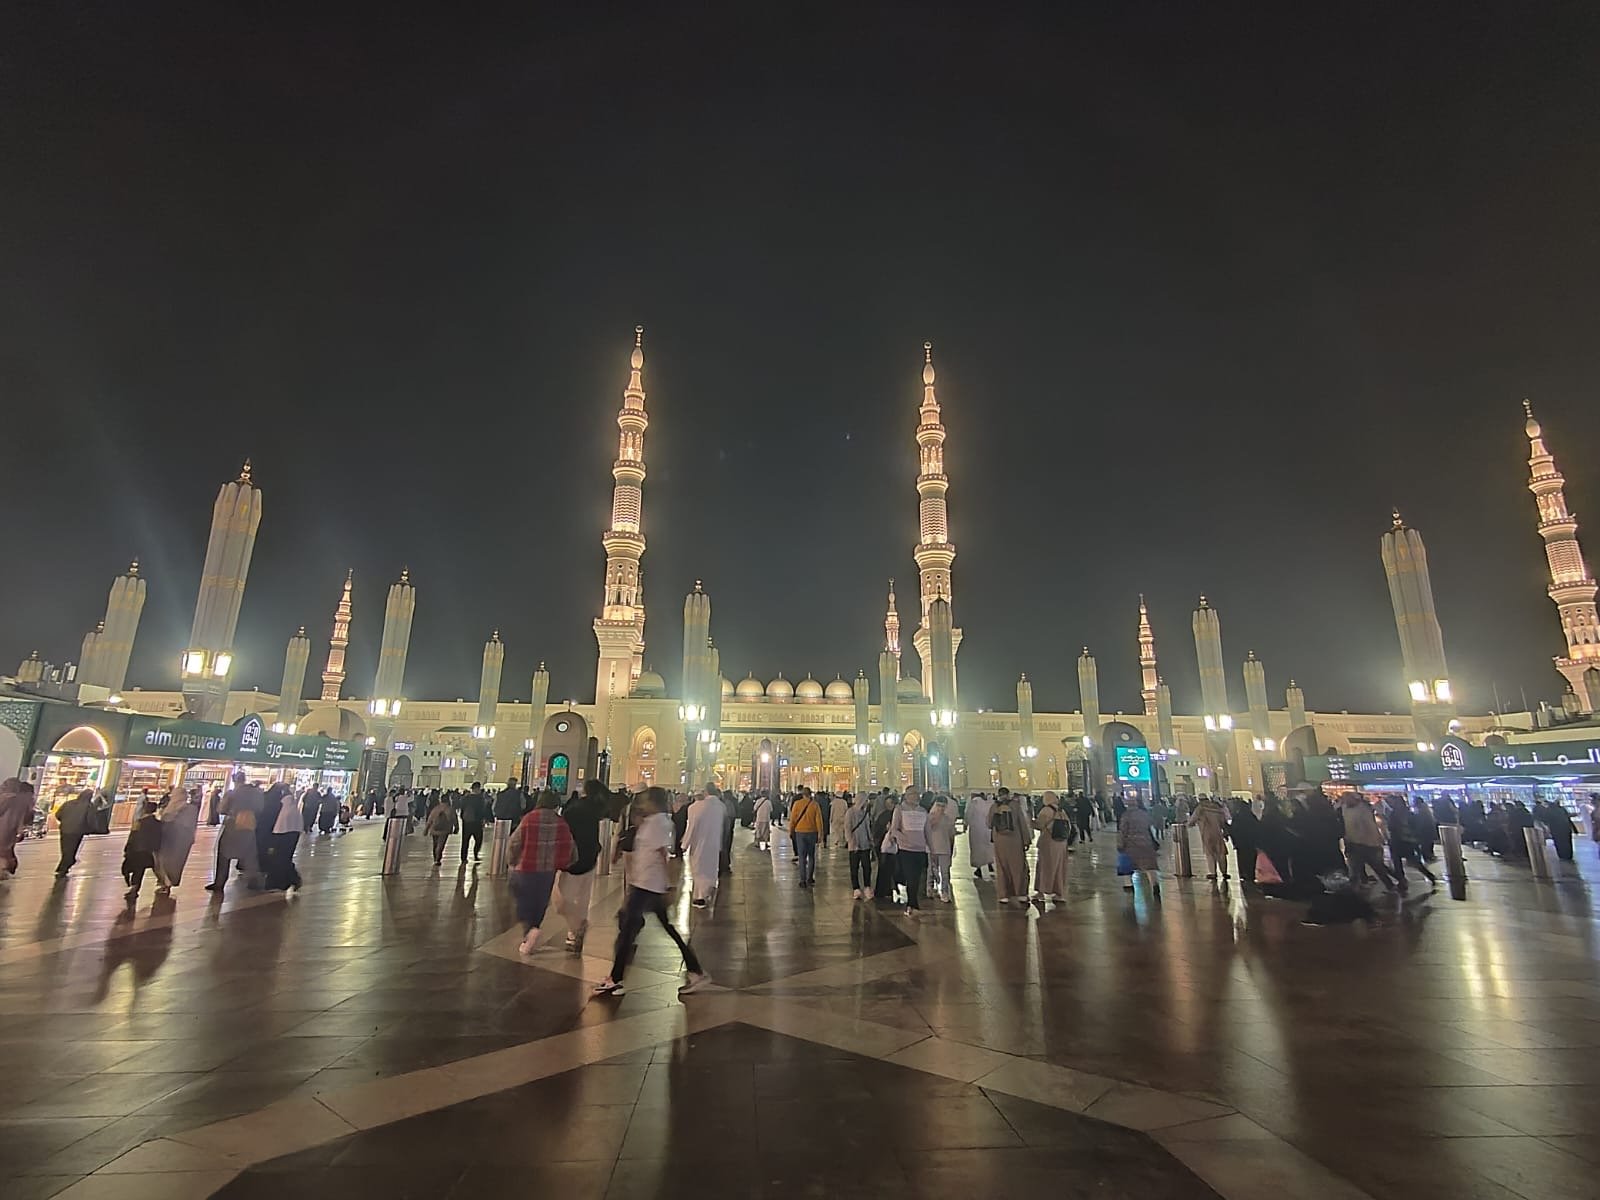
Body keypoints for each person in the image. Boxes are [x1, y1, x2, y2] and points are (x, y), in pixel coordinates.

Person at [594, 787, 710, 997]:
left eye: (646, 800)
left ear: (654, 802)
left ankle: (616, 978)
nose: (642, 804)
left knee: (628, 930)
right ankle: (695, 970)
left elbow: (665, 855)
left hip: (649, 886)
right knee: (657, 928)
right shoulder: (653, 821)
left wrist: (670, 886)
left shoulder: (660, 823)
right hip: (645, 884)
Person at [508, 790, 576, 955]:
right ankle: (535, 928)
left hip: (526, 867)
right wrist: (566, 862)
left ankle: (530, 931)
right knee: (540, 902)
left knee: (523, 899)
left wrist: (512, 861)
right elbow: (570, 846)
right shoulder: (561, 822)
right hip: (547, 871)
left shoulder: (529, 818)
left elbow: (514, 842)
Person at [552, 781, 605, 952]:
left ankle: (577, 927)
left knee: (561, 901)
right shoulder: (596, 809)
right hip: (590, 858)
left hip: (573, 861)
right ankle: (573, 936)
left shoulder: (574, 809)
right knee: (583, 898)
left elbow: (563, 834)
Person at [207, 773, 264, 892]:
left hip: (232, 825)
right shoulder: (257, 793)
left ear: (235, 780)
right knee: (249, 854)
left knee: (224, 854)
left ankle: (219, 882)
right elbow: (260, 808)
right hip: (250, 824)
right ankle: (253, 879)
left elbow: (221, 809)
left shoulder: (232, 793)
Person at [1340, 793, 1401, 893]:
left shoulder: (1363, 809)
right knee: (1355, 869)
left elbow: (1370, 826)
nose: (1345, 801)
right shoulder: (1345, 808)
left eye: (1347, 798)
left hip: (1367, 844)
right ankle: (1353, 891)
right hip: (1354, 843)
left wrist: (1377, 841)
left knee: (1378, 868)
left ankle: (1394, 884)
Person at [887, 788, 930, 917]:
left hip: (920, 848)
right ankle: (911, 904)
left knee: (916, 877)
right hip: (906, 849)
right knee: (911, 877)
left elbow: (927, 830)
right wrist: (903, 839)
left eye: (917, 794)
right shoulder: (900, 809)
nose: (916, 796)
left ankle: (913, 902)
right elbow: (894, 829)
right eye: (913, 794)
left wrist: (930, 846)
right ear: (906, 796)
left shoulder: (922, 811)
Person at [988, 788, 1032, 904]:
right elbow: (1022, 823)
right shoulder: (1015, 806)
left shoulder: (994, 807)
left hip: (1000, 842)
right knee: (1018, 867)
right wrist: (1026, 840)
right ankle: (1021, 894)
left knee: (1002, 868)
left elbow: (988, 824)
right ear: (1008, 795)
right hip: (1015, 841)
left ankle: (1003, 895)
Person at [155, 785, 201, 893]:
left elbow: (166, 821)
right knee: (175, 863)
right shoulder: (191, 809)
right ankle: (168, 883)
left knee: (166, 862)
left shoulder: (174, 808)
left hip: (171, 839)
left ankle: (166, 883)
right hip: (182, 841)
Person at [683, 788, 725, 907]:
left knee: (698, 869)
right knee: (710, 867)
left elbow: (692, 827)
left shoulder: (694, 808)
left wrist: (685, 844)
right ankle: (705, 891)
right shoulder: (719, 807)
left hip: (699, 843)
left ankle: (700, 896)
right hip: (714, 843)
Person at [1384, 795, 1437, 888]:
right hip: (1403, 841)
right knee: (1407, 861)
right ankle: (1427, 876)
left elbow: (1391, 827)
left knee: (1401, 862)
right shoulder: (1407, 813)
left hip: (1400, 841)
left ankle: (1404, 880)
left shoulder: (1395, 814)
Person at [1116, 794, 1161, 897]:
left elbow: (1123, 832)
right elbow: (1150, 827)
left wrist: (1120, 844)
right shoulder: (1144, 814)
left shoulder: (1126, 815)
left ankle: (1129, 886)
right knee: (1149, 866)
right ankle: (1155, 884)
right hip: (1146, 843)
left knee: (1127, 867)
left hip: (1131, 845)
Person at [262, 782, 303, 891]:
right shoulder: (292, 805)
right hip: (293, 833)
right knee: (284, 858)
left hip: (280, 833)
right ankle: (287, 881)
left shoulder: (278, 803)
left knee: (278, 858)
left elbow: (272, 820)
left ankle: (290, 880)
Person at [1032, 791, 1071, 901]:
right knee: (1059, 868)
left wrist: (1030, 822)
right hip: (1061, 843)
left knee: (1045, 867)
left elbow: (1040, 825)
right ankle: (1059, 893)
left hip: (1049, 842)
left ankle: (1041, 891)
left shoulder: (1046, 810)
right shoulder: (1061, 811)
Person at [121, 799, 163, 899]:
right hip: (148, 851)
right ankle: (163, 882)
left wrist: (127, 848)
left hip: (136, 850)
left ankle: (134, 888)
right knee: (148, 869)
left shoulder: (139, 822)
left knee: (137, 870)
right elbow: (158, 838)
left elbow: (132, 836)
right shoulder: (158, 824)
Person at [54, 788, 94, 877]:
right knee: (72, 850)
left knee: (65, 849)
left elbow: (58, 814)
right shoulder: (89, 806)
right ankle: (64, 867)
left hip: (64, 829)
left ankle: (63, 867)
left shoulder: (68, 803)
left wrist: (64, 821)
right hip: (78, 831)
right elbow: (90, 819)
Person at [0, 778, 35, 879]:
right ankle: (7, 868)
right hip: (11, 831)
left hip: (4, 829)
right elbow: (28, 817)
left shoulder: (5, 798)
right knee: (6, 851)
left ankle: (5, 868)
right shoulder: (23, 801)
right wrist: (21, 830)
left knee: (4, 851)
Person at [789, 786, 823, 888]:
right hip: (812, 832)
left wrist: (791, 831)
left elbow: (793, 819)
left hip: (800, 832)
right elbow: (819, 821)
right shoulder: (815, 805)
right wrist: (820, 834)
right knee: (811, 856)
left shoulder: (797, 804)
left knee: (802, 857)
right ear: (810, 794)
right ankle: (810, 878)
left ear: (802, 795)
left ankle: (802, 880)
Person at [1192, 794, 1230, 880]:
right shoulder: (1216, 807)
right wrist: (1226, 833)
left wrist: (1189, 824)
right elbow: (1223, 821)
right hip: (1218, 833)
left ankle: (1213, 872)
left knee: (1210, 854)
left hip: (1206, 833)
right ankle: (1224, 872)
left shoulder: (1200, 808)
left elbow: (1192, 820)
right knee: (1221, 853)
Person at [925, 795, 955, 902]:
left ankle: (945, 891)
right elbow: (927, 831)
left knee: (945, 872)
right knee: (931, 870)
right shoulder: (929, 818)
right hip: (932, 848)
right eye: (938, 805)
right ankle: (929, 888)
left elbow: (951, 835)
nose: (940, 808)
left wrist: (951, 848)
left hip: (944, 848)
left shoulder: (948, 819)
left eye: (943, 806)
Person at [845, 791, 874, 898]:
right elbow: (847, 828)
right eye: (865, 800)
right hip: (854, 845)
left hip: (865, 844)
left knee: (867, 867)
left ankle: (867, 886)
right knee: (854, 867)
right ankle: (856, 888)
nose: (866, 802)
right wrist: (851, 842)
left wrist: (870, 840)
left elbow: (867, 827)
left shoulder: (865, 812)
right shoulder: (850, 812)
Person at [871, 798, 898, 900]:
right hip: (884, 845)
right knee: (885, 868)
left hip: (886, 845)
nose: (888, 805)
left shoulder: (887, 814)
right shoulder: (887, 815)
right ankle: (885, 889)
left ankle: (884, 889)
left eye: (889, 803)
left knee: (886, 868)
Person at [456, 782, 488, 864]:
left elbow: (462, 809)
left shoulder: (465, 798)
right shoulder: (480, 798)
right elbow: (482, 810)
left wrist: (463, 818)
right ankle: (475, 854)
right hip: (477, 822)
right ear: (477, 788)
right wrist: (483, 820)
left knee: (465, 841)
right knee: (478, 840)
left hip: (467, 822)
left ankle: (463, 858)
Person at [966, 791, 995, 880]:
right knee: (989, 848)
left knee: (977, 849)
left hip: (976, 830)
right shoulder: (990, 804)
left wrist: (966, 824)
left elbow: (968, 816)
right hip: (988, 830)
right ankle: (990, 863)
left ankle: (979, 868)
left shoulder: (974, 803)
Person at [425, 794, 457, 865]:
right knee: (441, 844)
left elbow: (430, 819)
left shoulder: (436, 808)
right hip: (444, 830)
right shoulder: (450, 809)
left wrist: (426, 829)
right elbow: (454, 819)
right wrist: (456, 827)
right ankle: (438, 858)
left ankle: (435, 858)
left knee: (435, 844)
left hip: (434, 829)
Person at [1410, 796, 1438, 861]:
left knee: (1425, 844)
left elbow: (1420, 821)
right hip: (1429, 828)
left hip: (1424, 830)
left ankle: (1427, 856)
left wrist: (1417, 831)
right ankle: (1430, 855)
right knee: (1429, 843)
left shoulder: (1420, 809)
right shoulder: (1426, 808)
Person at [717, 784, 736, 876]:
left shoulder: (726, 804)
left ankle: (724, 866)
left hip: (725, 830)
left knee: (724, 848)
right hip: (724, 830)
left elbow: (731, 817)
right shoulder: (724, 804)